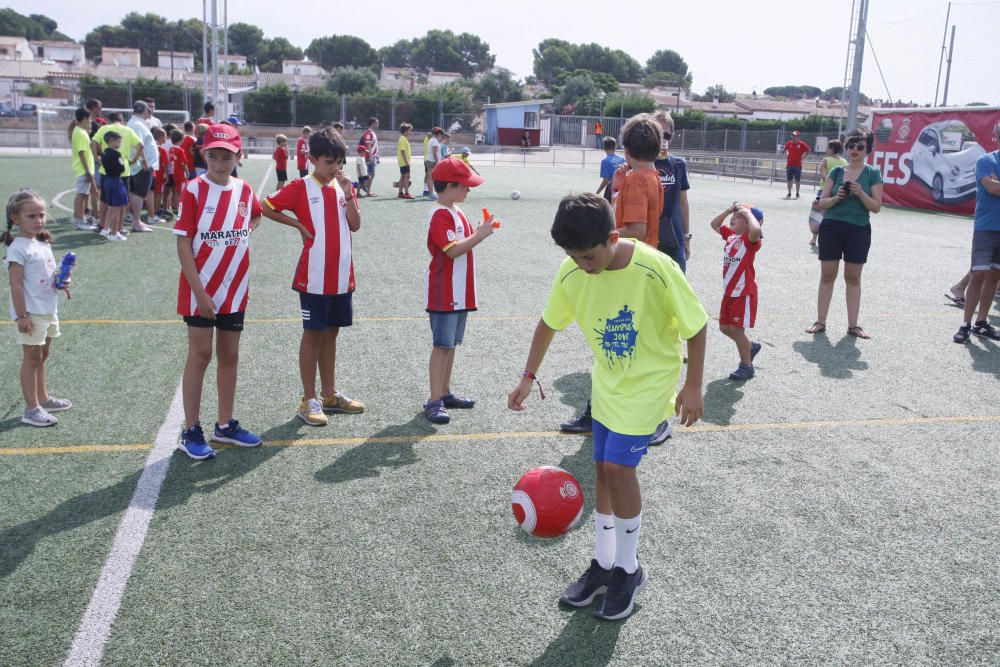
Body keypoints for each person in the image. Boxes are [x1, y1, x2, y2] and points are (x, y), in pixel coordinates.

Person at [507, 192, 707, 621]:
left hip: (650, 384)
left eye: (589, 256)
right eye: (574, 257)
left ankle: (629, 570)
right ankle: (603, 563)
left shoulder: (655, 267)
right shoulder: (571, 273)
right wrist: (527, 378)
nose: (584, 265)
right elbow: (548, 324)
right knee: (600, 469)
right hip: (608, 383)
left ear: (613, 237)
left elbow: (697, 324)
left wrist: (693, 385)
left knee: (618, 469)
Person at [560, 113, 664, 437]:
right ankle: (617, 414)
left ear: (626, 149)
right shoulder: (652, 176)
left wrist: (597, 236)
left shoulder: (635, 179)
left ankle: (644, 418)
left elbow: (635, 229)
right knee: (623, 350)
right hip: (639, 274)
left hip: (624, 274)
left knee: (610, 348)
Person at [262, 128, 365, 427]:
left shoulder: (342, 187)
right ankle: (308, 399)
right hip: (314, 277)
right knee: (313, 334)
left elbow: (355, 226)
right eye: (328, 162)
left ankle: (329, 394)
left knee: (332, 333)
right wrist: (297, 225)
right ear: (313, 159)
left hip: (341, 276)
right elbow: (267, 207)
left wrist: (349, 194)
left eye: (338, 162)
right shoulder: (300, 187)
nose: (334, 168)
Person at [173, 123, 263, 459]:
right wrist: (199, 293)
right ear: (204, 155)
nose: (220, 162)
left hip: (236, 289)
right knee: (200, 355)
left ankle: (224, 425)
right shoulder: (194, 190)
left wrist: (245, 229)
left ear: (238, 156)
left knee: (230, 356)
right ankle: (191, 429)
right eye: (213, 155)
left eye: (227, 156)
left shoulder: (243, 189)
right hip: (201, 290)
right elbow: (183, 244)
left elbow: (255, 216)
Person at [423, 158, 495, 424]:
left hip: (459, 292)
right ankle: (433, 400)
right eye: (464, 186)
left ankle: (444, 392)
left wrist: (477, 231)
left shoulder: (455, 211)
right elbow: (452, 250)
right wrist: (480, 235)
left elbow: (460, 244)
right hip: (444, 292)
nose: (468, 191)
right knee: (442, 345)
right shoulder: (440, 214)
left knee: (450, 344)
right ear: (450, 186)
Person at [3, 189, 72, 427]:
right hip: (31, 312)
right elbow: (16, 284)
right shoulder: (17, 248)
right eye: (32, 216)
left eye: (41, 215)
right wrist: (22, 316)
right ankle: (31, 409)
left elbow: (48, 274)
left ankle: (43, 398)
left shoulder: (42, 242)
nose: (38, 220)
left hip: (47, 308)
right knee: (32, 357)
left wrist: (61, 279)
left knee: (42, 354)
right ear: (15, 218)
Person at [806, 127, 882, 339]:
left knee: (853, 277)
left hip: (858, 229)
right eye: (851, 145)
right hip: (832, 227)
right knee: (827, 274)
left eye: (860, 146)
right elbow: (822, 202)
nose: (854, 149)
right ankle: (820, 321)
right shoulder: (836, 171)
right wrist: (838, 197)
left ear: (868, 149)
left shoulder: (872, 173)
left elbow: (876, 206)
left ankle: (853, 325)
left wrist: (860, 193)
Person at [953, 120, 1000, 343]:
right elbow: (991, 187)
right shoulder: (986, 159)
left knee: (994, 276)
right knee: (977, 275)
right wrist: (994, 184)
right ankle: (965, 324)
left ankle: (981, 323)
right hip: (986, 227)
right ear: (997, 136)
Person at [711, 203, 764, 380]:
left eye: (739, 217)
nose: (734, 219)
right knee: (724, 328)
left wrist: (748, 213)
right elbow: (715, 224)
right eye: (735, 216)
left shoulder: (750, 240)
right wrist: (728, 211)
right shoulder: (731, 236)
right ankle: (750, 346)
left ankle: (746, 366)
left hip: (743, 292)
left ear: (749, 222)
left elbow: (756, 230)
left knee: (736, 330)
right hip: (729, 292)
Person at [652, 110, 692, 273]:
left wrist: (687, 237)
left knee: (678, 286)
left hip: (674, 237)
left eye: (666, 135)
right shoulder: (641, 164)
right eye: (658, 134)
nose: (662, 140)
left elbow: (683, 203)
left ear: (672, 136)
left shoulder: (678, 164)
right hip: (648, 238)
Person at [91, 112, 141, 233]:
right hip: (122, 172)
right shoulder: (128, 130)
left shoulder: (104, 128)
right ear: (122, 120)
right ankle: (119, 227)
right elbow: (140, 145)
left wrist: (97, 158)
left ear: (109, 120)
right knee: (122, 201)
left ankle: (102, 225)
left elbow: (93, 142)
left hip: (106, 171)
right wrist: (134, 160)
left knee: (104, 199)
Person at [126, 100, 157, 233]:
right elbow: (138, 145)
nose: (149, 112)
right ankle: (136, 222)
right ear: (144, 110)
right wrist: (144, 162)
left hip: (139, 164)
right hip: (142, 165)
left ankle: (136, 220)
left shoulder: (135, 123)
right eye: (148, 110)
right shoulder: (137, 124)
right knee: (140, 193)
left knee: (136, 193)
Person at [810, 140, 847, 246]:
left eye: (827, 148)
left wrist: (828, 184)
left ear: (831, 149)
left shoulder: (826, 160)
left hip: (824, 190)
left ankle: (814, 238)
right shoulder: (845, 162)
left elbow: (822, 172)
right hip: (838, 192)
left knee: (818, 214)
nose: (826, 150)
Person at [68, 108, 98, 231]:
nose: (91, 121)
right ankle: (79, 220)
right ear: (85, 118)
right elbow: (81, 153)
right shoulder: (80, 132)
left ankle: (80, 219)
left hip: (85, 169)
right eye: (90, 118)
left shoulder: (81, 131)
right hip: (83, 169)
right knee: (81, 195)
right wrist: (87, 171)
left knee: (84, 195)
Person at [99, 131, 129, 242]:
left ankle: (105, 228)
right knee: (117, 208)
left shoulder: (104, 153)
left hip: (107, 180)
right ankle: (114, 233)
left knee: (111, 207)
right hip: (116, 181)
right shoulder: (116, 154)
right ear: (111, 141)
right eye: (118, 141)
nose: (120, 144)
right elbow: (122, 168)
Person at [596, 137, 625, 205]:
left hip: (612, 189)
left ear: (604, 148)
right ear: (615, 147)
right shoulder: (622, 159)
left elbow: (605, 180)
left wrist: (597, 193)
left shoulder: (605, 161)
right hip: (623, 188)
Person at [783, 130, 810, 199]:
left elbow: (808, 150)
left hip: (798, 165)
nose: (793, 137)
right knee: (789, 179)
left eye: (795, 136)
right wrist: (787, 154)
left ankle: (797, 193)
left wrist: (803, 157)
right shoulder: (789, 143)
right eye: (792, 135)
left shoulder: (801, 144)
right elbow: (785, 149)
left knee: (797, 180)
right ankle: (789, 193)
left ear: (798, 137)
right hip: (789, 164)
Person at [168, 129, 189, 216]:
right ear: (181, 140)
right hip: (180, 173)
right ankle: (178, 208)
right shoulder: (180, 150)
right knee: (181, 192)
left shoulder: (171, 148)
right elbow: (183, 163)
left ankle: (175, 206)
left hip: (173, 172)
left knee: (176, 191)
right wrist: (187, 172)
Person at [151, 126, 168, 222]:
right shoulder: (162, 149)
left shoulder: (151, 147)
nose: (166, 138)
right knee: (158, 194)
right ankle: (156, 212)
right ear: (161, 137)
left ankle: (153, 210)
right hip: (160, 175)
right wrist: (166, 175)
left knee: (153, 193)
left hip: (152, 174)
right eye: (165, 136)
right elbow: (165, 165)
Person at [362, 117, 380, 196]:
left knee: (371, 174)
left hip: (373, 156)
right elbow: (368, 145)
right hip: (370, 156)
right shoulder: (369, 133)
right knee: (371, 174)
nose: (378, 125)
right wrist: (370, 156)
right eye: (377, 123)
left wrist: (377, 156)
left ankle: (366, 188)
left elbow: (373, 145)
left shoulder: (372, 132)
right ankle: (364, 187)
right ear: (373, 123)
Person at [425, 128, 443, 200]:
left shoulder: (432, 140)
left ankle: (432, 194)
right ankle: (431, 195)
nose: (441, 137)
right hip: (432, 161)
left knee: (431, 178)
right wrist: (438, 162)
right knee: (431, 178)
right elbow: (435, 153)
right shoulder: (435, 141)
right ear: (438, 134)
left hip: (430, 161)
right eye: (441, 135)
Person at [397, 122, 413, 199]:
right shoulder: (403, 139)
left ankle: (400, 193)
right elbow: (402, 151)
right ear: (405, 131)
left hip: (402, 162)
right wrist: (407, 162)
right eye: (409, 130)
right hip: (404, 162)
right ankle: (406, 193)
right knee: (407, 176)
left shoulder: (402, 139)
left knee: (403, 177)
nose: (410, 132)